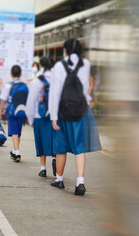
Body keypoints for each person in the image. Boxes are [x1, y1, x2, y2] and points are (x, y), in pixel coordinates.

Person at [49, 38, 102, 196]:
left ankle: (59, 180)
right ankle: (80, 183)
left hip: (63, 111)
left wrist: (53, 116)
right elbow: (85, 87)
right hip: (81, 111)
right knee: (79, 147)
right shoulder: (85, 64)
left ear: (65, 50)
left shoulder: (59, 66)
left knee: (61, 147)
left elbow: (55, 92)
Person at [26, 56, 57, 176]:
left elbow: (31, 100)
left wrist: (30, 118)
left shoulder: (37, 81)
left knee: (40, 141)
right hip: (55, 116)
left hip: (40, 115)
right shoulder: (58, 79)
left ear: (40, 66)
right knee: (55, 140)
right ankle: (55, 160)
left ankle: (43, 168)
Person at [0, 65, 27, 162]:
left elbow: (3, 99)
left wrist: (0, 111)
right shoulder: (24, 85)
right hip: (22, 111)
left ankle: (17, 152)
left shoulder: (9, 85)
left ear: (11, 74)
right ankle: (14, 150)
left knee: (14, 132)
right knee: (18, 133)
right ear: (21, 74)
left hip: (12, 112)